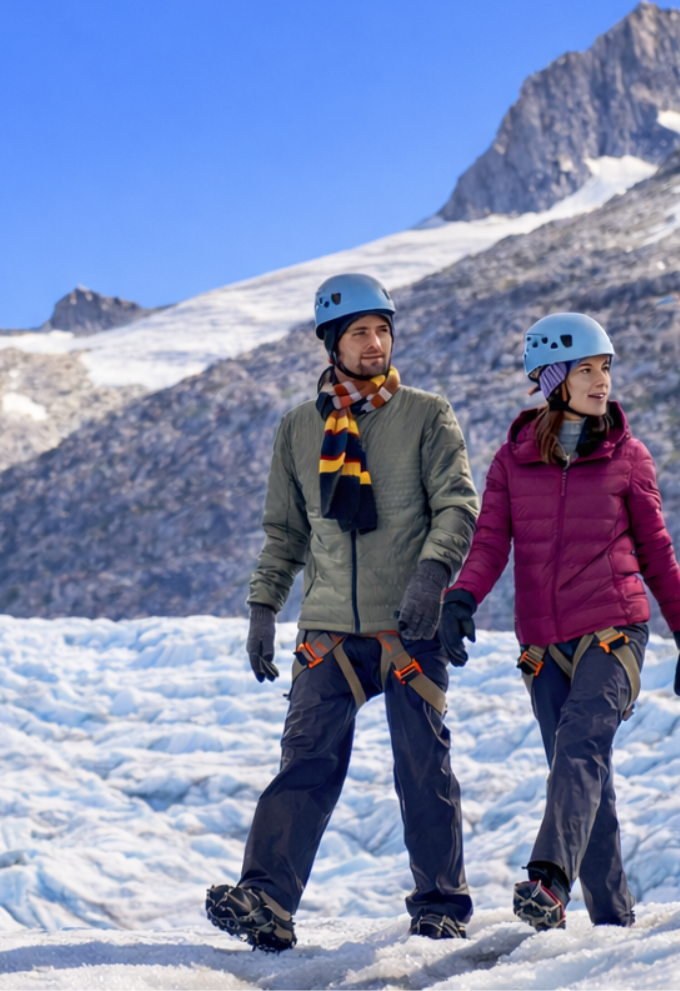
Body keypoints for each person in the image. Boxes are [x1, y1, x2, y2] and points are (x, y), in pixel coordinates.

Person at [204, 273, 480, 951]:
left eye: (382, 330)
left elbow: (458, 504)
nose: (374, 343)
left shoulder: (425, 414)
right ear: (331, 342)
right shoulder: (300, 430)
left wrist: (433, 575)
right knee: (304, 763)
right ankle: (266, 901)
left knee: (423, 769)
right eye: (359, 332)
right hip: (327, 631)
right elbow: (285, 533)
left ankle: (440, 905)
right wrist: (263, 608)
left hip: (408, 626)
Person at [436, 312, 680, 932]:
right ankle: (615, 923)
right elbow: (489, 543)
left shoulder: (628, 457)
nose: (601, 382)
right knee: (583, 777)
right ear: (553, 379)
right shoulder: (512, 462)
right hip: (542, 646)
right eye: (586, 369)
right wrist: (462, 599)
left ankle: (548, 882)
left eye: (606, 368)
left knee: (582, 747)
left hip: (614, 630)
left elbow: (657, 552)